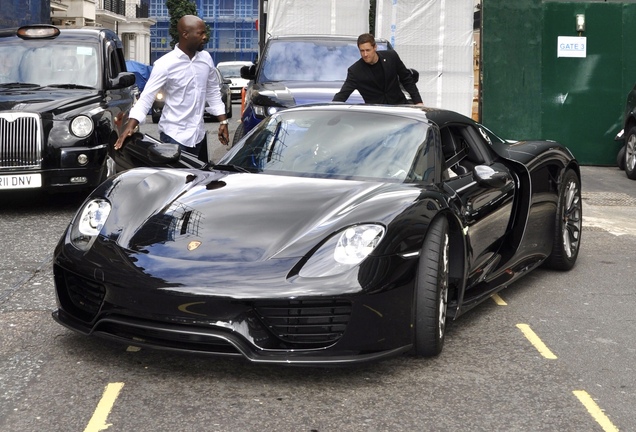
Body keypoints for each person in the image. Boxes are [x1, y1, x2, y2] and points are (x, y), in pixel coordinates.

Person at [114, 15, 229, 162]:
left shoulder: (206, 59)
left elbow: (212, 91)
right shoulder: (165, 64)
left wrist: (223, 122)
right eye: (201, 33)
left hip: (198, 135)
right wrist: (130, 126)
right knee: (178, 182)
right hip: (174, 137)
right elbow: (147, 97)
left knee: (199, 180)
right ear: (185, 34)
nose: (205, 37)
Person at [333, 33, 423, 106]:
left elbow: (406, 79)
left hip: (400, 108)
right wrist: (330, 110)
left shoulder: (391, 57)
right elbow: (342, 95)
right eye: (362, 51)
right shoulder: (355, 71)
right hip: (378, 116)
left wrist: (418, 102)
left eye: (368, 50)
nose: (365, 54)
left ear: (375, 47)